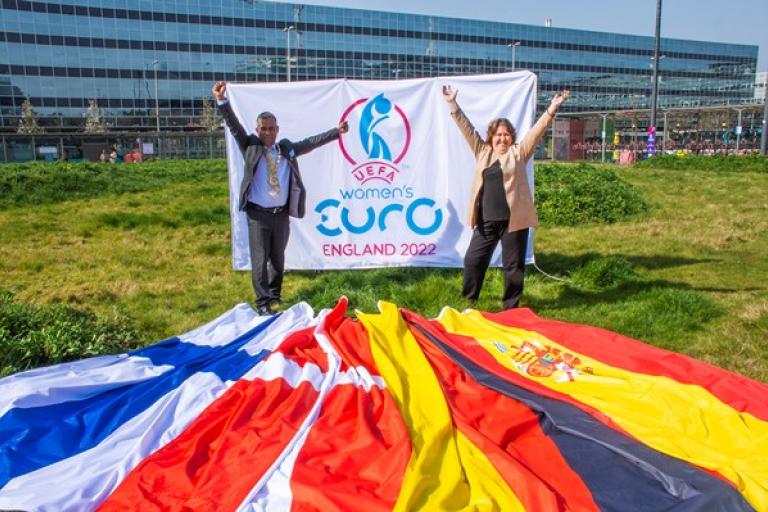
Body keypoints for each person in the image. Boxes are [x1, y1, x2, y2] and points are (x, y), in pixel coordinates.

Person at [212, 81, 349, 315]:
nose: (268, 132)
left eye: (271, 128)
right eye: (263, 128)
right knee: (259, 259)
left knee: (277, 258)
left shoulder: (286, 149)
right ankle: (262, 302)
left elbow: (311, 143)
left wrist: (336, 132)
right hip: (258, 214)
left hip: (280, 214)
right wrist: (221, 101)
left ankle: (275, 296)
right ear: (258, 131)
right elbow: (234, 126)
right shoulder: (251, 146)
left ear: (277, 129)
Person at [443, 84, 569, 309]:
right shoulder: (483, 152)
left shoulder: (519, 152)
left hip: (514, 222)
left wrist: (553, 107)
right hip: (486, 221)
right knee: (473, 260)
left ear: (512, 137)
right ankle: (468, 300)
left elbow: (538, 130)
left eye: (506, 135)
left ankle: (511, 307)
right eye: (498, 135)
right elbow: (466, 128)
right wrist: (452, 103)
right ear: (491, 138)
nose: (502, 139)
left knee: (514, 267)